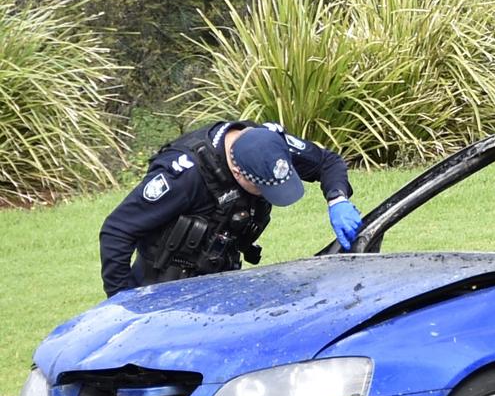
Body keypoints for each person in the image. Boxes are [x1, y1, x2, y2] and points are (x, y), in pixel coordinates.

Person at [99, 119, 363, 297]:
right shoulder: (184, 174)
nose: (268, 197)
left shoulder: (269, 144)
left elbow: (327, 162)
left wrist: (337, 199)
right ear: (237, 171)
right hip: (163, 288)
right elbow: (117, 230)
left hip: (222, 281)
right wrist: (124, 302)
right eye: (263, 189)